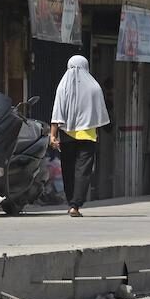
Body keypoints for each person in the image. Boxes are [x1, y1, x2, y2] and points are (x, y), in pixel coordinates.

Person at [50, 56, 110, 217]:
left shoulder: (63, 86)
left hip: (67, 134)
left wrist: (53, 135)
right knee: (83, 171)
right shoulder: (94, 87)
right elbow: (100, 112)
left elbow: (57, 111)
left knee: (68, 169)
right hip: (88, 135)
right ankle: (75, 205)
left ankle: (71, 202)